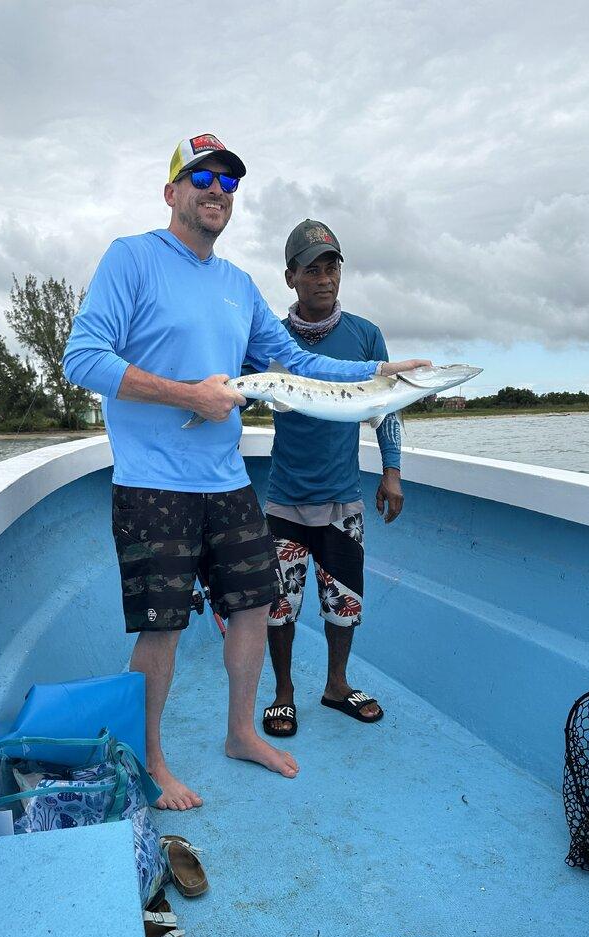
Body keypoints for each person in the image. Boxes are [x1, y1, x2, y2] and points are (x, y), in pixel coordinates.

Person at [62, 135, 429, 810]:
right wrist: (188, 395)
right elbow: (81, 359)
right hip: (154, 484)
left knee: (254, 607)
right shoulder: (133, 258)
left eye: (229, 183)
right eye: (201, 176)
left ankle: (239, 733)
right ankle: (154, 761)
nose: (216, 190)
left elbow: (295, 363)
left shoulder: (237, 286)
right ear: (172, 190)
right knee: (164, 626)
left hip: (227, 482)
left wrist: (377, 372)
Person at [259, 220, 407, 737]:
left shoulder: (366, 335)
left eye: (332, 267)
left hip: (343, 498)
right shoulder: (270, 335)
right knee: (279, 605)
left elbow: (387, 407)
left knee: (344, 601)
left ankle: (336, 685)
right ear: (290, 277)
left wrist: (391, 471)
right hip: (284, 501)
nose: (324, 279)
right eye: (312, 269)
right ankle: (282, 692)